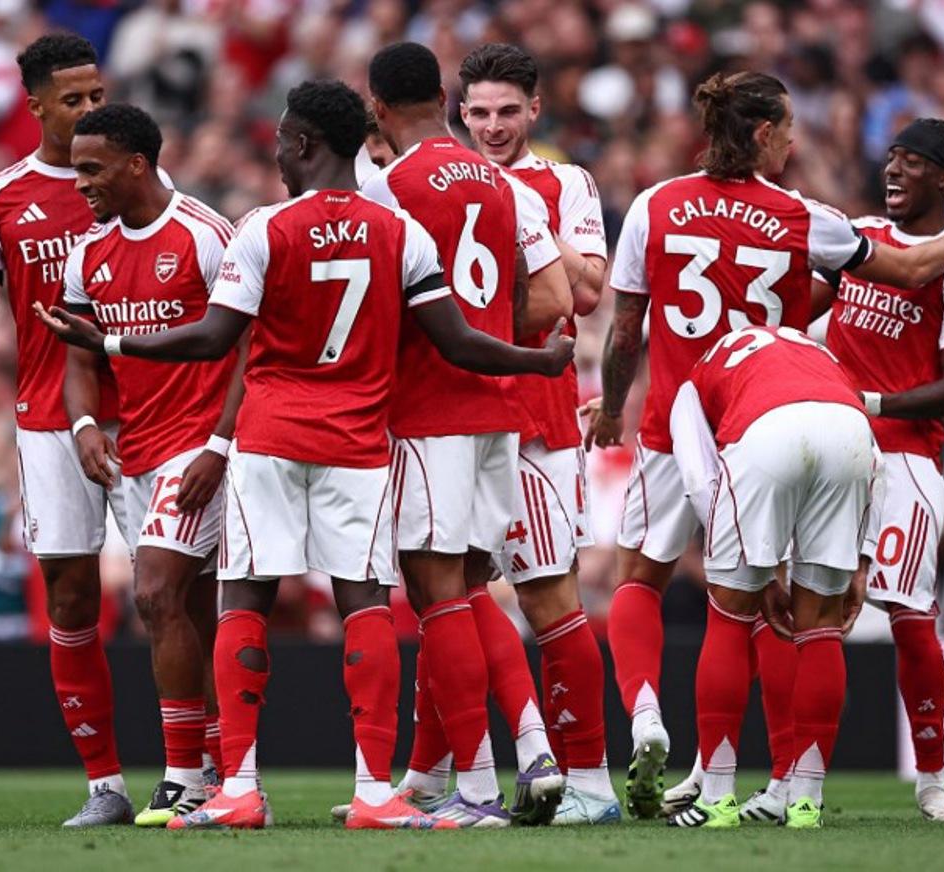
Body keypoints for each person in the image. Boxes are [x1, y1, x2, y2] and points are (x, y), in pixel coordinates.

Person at [36, 79, 575, 831]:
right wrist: (537, 363)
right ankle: (373, 793)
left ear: (302, 144)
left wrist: (113, 341)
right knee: (366, 607)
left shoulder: (264, 227)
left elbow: (215, 337)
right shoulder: (398, 231)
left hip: (270, 440)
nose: (280, 154)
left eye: (284, 140)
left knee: (246, 600)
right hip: (357, 445)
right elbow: (456, 340)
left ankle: (241, 788)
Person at [581, 70, 944, 820]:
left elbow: (627, 329)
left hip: (679, 417)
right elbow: (902, 266)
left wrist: (610, 406)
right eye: (790, 127)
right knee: (780, 607)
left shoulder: (654, 204)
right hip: (775, 412)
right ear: (765, 134)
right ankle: (794, 789)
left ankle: (652, 725)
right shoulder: (806, 218)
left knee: (639, 579)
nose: (797, 139)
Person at [0, 33, 140, 828]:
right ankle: (105, 786)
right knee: (72, 596)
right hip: (50, 422)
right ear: (36, 104)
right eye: (74, 99)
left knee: (176, 593)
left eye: (96, 94)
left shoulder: (135, 172)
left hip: (145, 415)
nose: (90, 109)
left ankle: (206, 770)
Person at [360, 41, 574, 827]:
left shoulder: (392, 189)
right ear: (448, 100)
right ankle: (535, 745)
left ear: (378, 107)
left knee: (435, 594)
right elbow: (548, 294)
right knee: (473, 587)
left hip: (429, 409)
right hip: (497, 410)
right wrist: (499, 336)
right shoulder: (501, 180)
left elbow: (380, 310)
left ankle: (479, 789)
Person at [810, 117, 944, 822]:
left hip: (906, 456)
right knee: (810, 607)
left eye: (912, 161)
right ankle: (798, 781)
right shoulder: (859, 237)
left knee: (910, 614)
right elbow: (807, 311)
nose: (893, 170)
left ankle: (931, 783)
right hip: (830, 450)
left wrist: (870, 399)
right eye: (891, 157)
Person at [59, 103, 241, 827]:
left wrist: (221, 446)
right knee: (189, 611)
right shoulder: (89, 253)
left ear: (136, 163)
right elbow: (79, 351)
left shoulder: (203, 235)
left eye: (91, 168)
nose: (81, 183)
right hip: (134, 450)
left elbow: (250, 345)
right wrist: (82, 424)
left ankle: (181, 775)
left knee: (154, 595)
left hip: (197, 448)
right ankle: (225, 771)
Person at [457, 42, 616, 825]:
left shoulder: (564, 183)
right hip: (452, 414)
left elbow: (583, 292)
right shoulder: (443, 185)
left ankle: (590, 783)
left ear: (535, 110)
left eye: (507, 111)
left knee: (549, 595)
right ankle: (458, 778)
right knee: (441, 594)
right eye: (479, 113)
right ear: (459, 112)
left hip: (536, 418)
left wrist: (519, 211)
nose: (493, 127)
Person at [664, 325, 874, 830]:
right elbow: (876, 458)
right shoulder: (813, 350)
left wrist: (746, 574)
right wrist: (862, 561)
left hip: (765, 433)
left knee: (728, 616)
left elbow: (698, 478)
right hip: (851, 430)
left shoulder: (695, 380)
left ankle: (716, 797)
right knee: (821, 625)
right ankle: (806, 802)